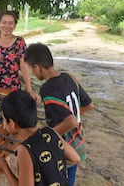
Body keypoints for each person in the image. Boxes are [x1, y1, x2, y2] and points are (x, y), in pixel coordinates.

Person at [24, 43, 95, 186]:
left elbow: (71, 122)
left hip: (65, 147)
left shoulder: (48, 89)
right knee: (69, 178)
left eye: (31, 70)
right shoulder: (70, 77)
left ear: (36, 67)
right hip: (78, 142)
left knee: (61, 179)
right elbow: (89, 105)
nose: (32, 73)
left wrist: (46, 137)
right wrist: (72, 115)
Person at [0, 90, 80, 185]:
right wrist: (50, 166)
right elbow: (75, 158)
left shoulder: (24, 149)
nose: (3, 125)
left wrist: (4, 167)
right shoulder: (51, 131)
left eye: (4, 120)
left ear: (12, 123)